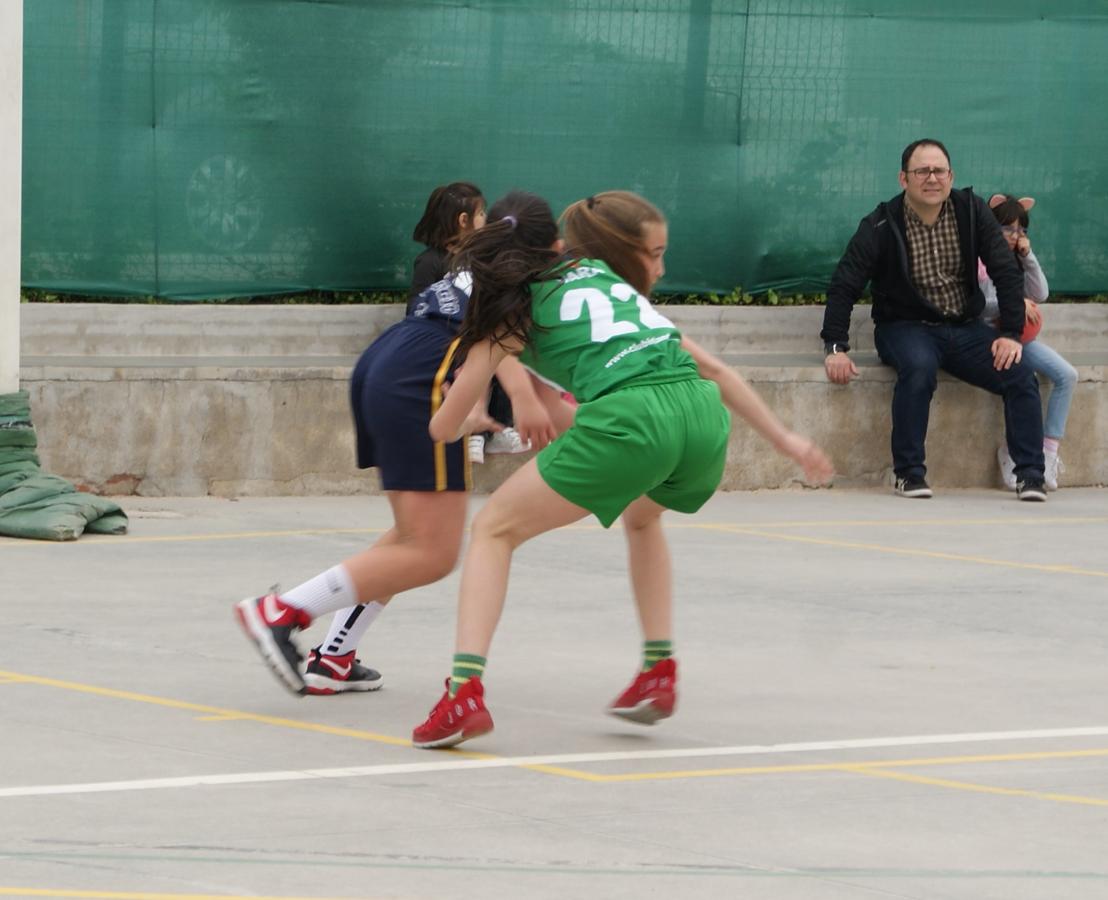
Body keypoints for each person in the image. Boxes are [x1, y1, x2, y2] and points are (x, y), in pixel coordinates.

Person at [410, 190, 834, 749]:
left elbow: (442, 429)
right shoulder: (597, 275)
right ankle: (658, 669)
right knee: (643, 515)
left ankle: (464, 691)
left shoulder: (505, 320)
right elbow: (711, 367)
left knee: (493, 529)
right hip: (701, 417)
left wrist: (469, 421)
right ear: (559, 244)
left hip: (633, 421)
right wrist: (786, 439)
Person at [234, 267, 560, 696]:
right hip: (422, 380)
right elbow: (498, 345)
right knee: (433, 553)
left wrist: (484, 403)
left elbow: (481, 343)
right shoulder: (530, 276)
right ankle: (282, 609)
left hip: (391, 359)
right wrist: (523, 398)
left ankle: (333, 655)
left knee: (414, 538)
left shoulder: (484, 261)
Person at [820, 138, 1048, 501]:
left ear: (951, 175)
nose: (931, 178)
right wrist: (835, 347)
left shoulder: (972, 211)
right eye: (921, 171)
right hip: (904, 327)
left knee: (1020, 374)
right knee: (920, 367)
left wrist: (1009, 333)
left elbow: (1004, 270)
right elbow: (845, 282)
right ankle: (908, 474)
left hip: (964, 327)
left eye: (939, 170)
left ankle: (1031, 475)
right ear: (903, 178)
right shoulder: (880, 223)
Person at [409, 182, 531, 465]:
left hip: (476, 336)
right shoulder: (430, 262)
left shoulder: (480, 257)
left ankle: (496, 427)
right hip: (447, 343)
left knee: (500, 349)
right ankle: (474, 432)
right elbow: (416, 308)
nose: (485, 220)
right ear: (463, 221)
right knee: (478, 355)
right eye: (481, 214)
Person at [979, 194, 1076, 492]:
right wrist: (1016, 303)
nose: (1014, 236)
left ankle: (1048, 452)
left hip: (1021, 338)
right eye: (1008, 229)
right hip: (988, 337)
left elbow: (1042, 293)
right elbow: (980, 306)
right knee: (1021, 379)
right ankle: (1012, 452)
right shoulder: (981, 261)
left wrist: (1028, 256)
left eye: (1020, 230)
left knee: (1067, 375)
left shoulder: (1018, 258)